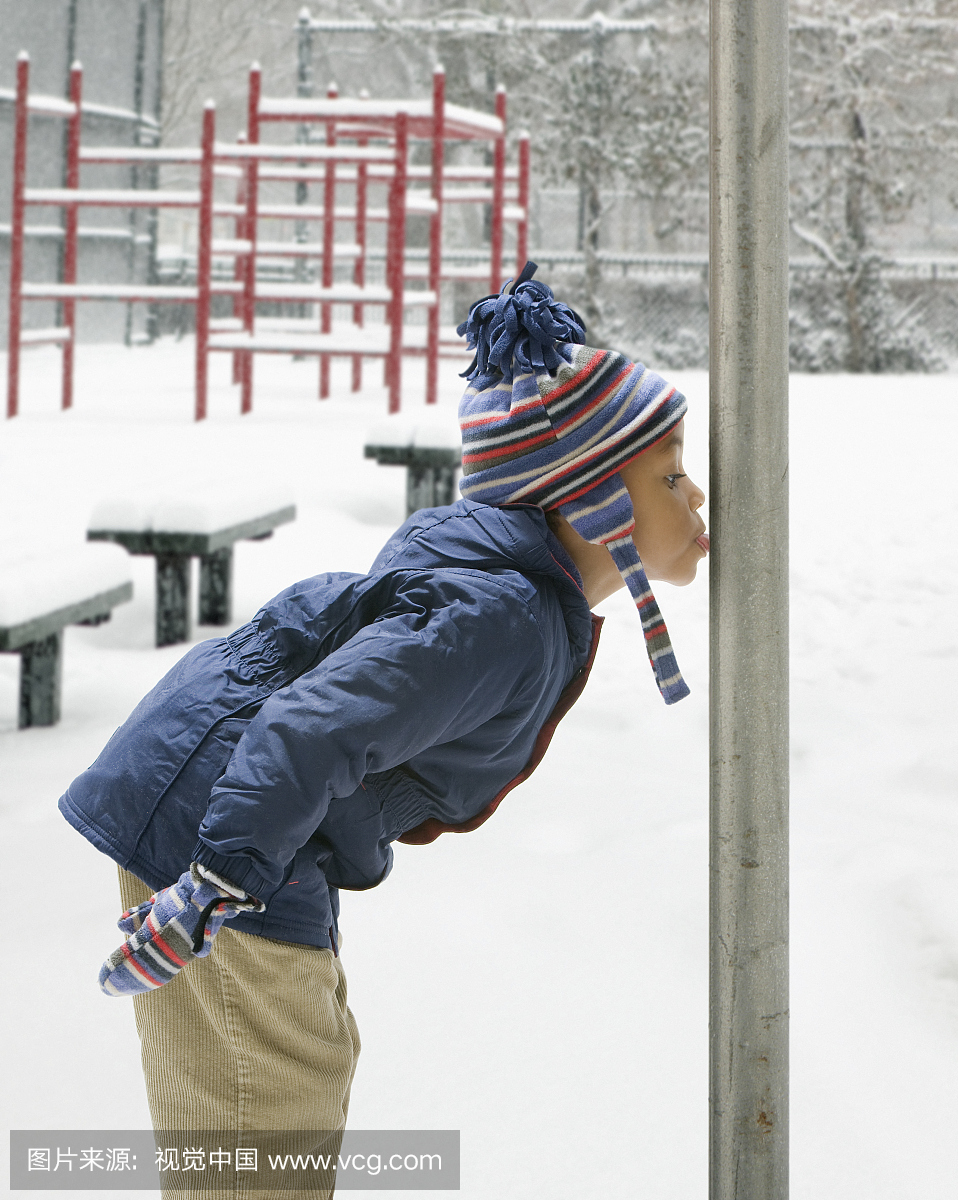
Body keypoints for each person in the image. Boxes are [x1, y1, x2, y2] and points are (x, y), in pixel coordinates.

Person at [58, 265, 706, 1192]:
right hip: (226, 830)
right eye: (670, 474)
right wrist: (214, 887)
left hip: (234, 811)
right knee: (262, 1124)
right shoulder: (504, 618)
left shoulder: (503, 594)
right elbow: (308, 730)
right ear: (588, 495)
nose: (695, 500)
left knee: (269, 1091)